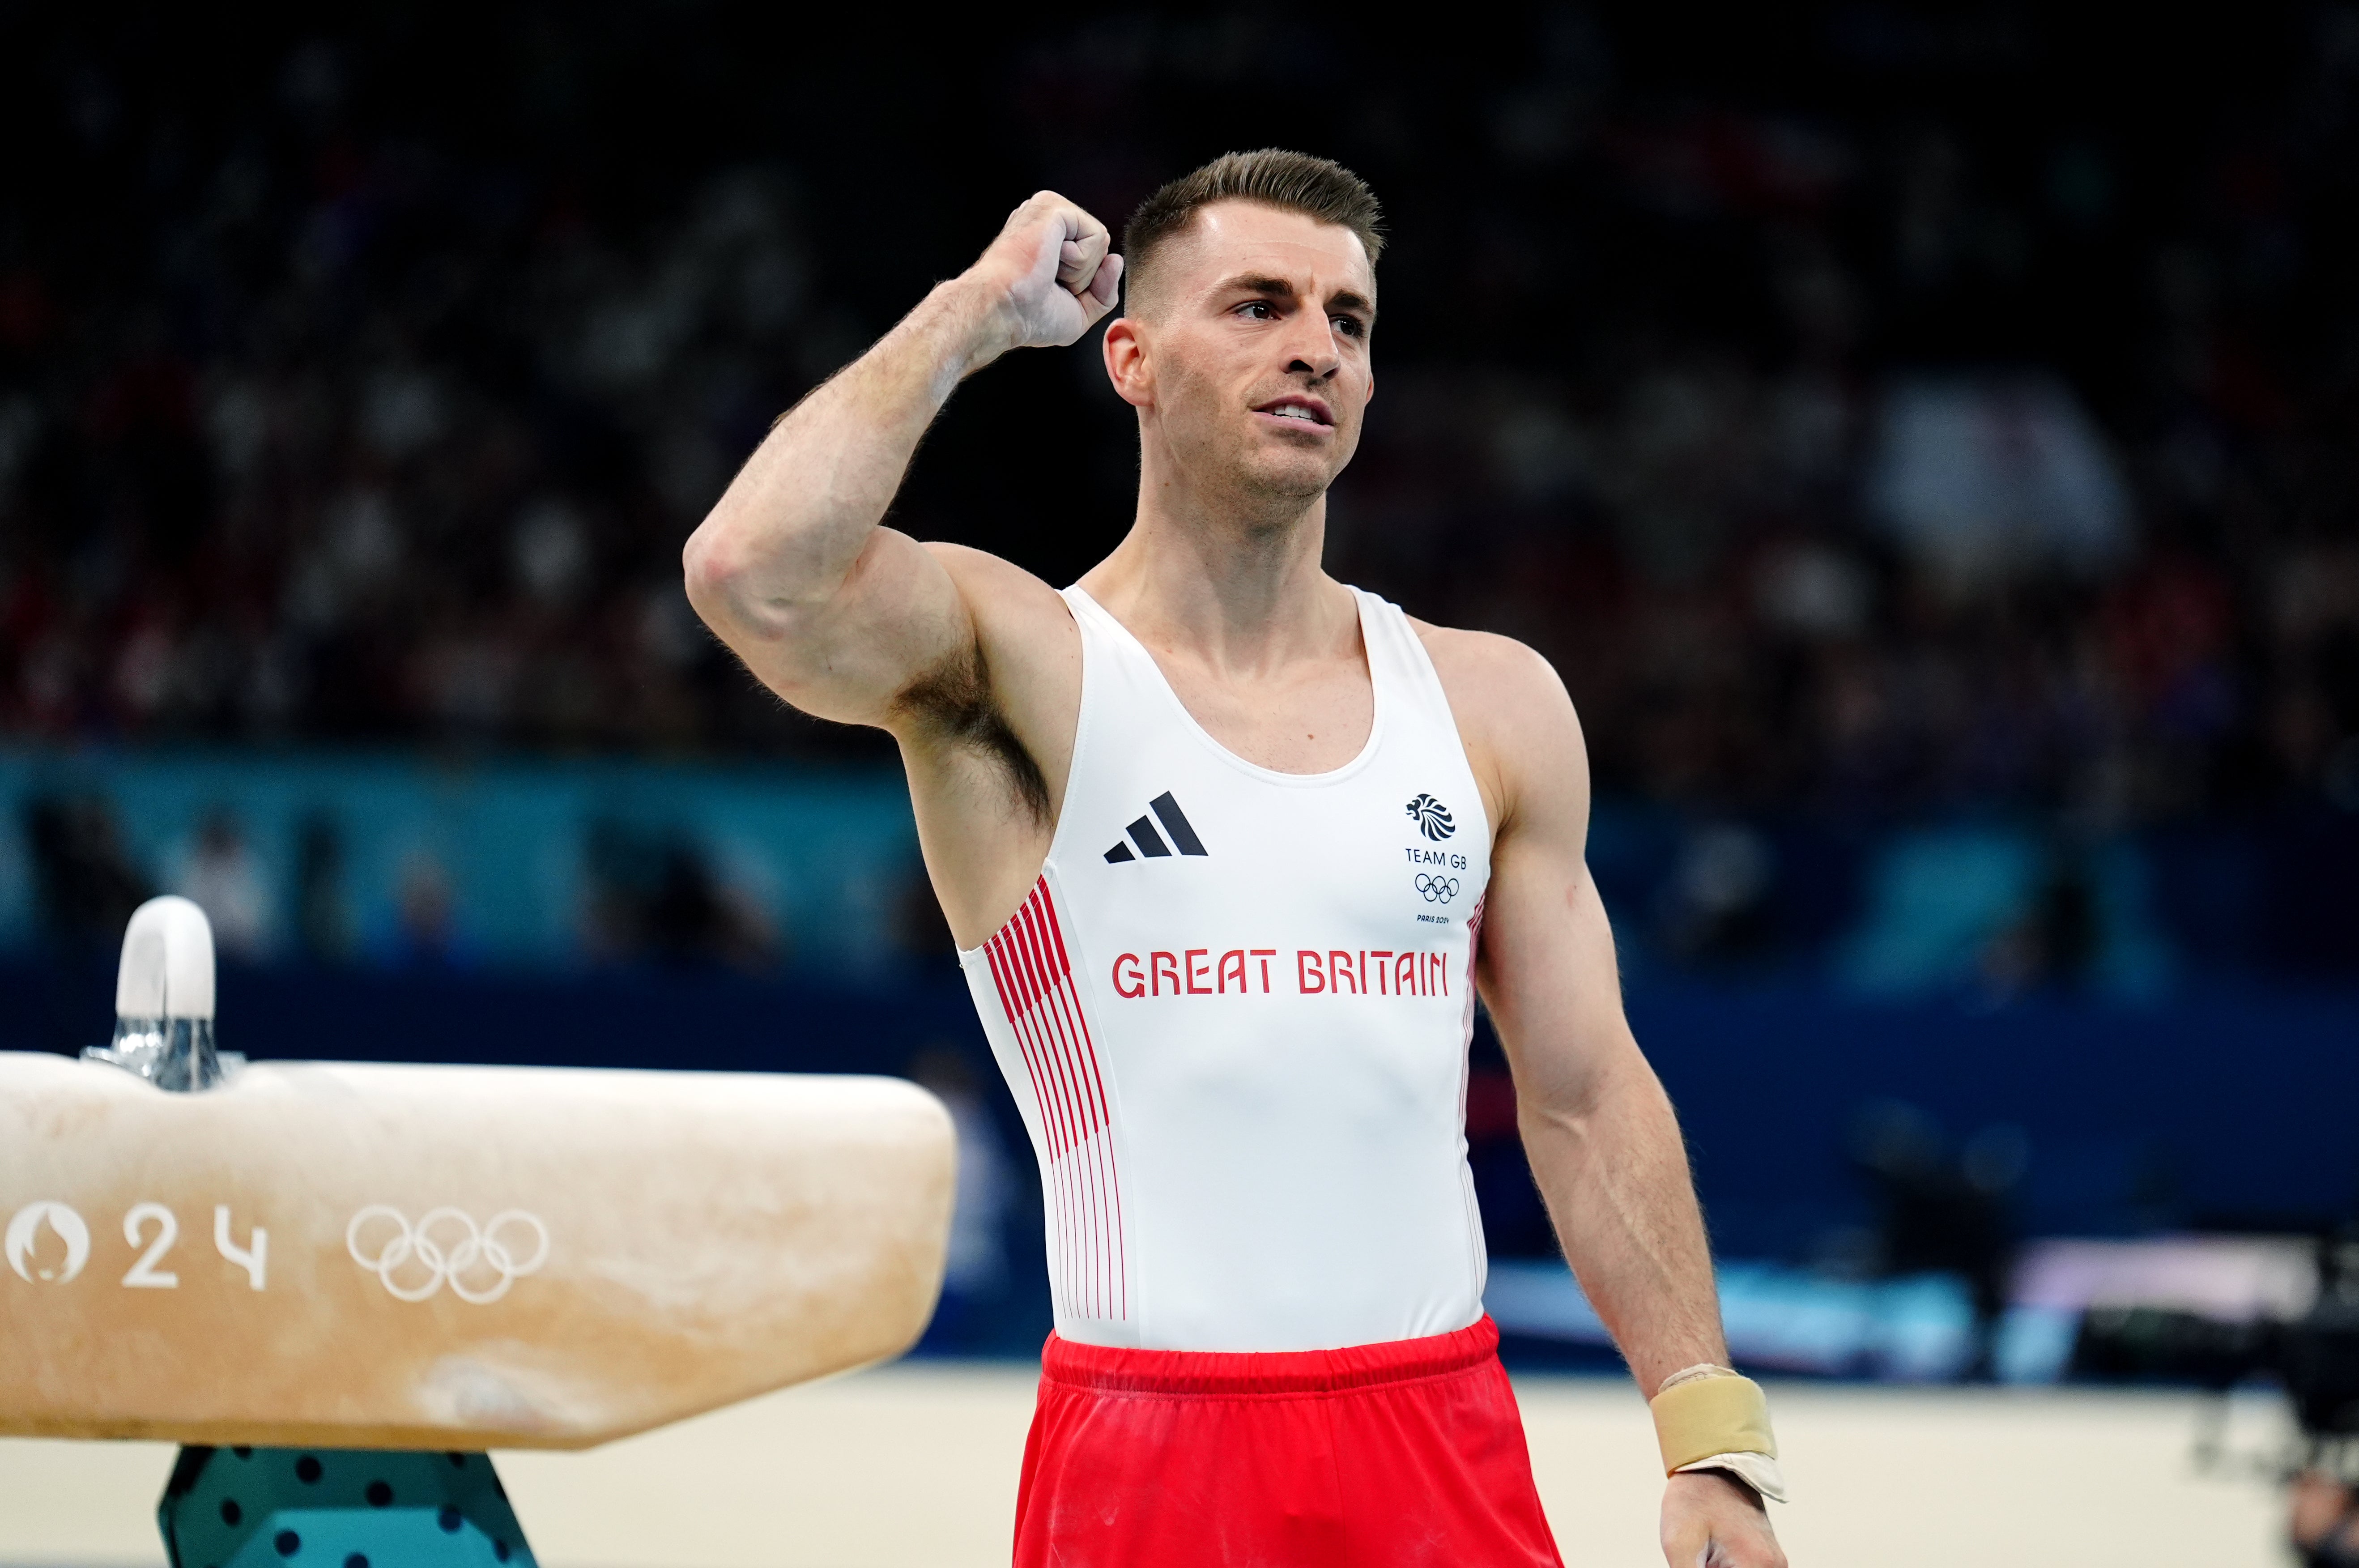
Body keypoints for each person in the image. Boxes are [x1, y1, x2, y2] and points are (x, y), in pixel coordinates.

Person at [686, 149, 1787, 1568]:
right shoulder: (1016, 665)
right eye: (1259, 305)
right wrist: (973, 311)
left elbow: (1581, 1098)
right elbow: (748, 576)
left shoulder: (1493, 703)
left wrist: (1708, 1439)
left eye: (1349, 320)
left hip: (1439, 1433)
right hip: (1152, 1457)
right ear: (1129, 358)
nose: (1315, 349)